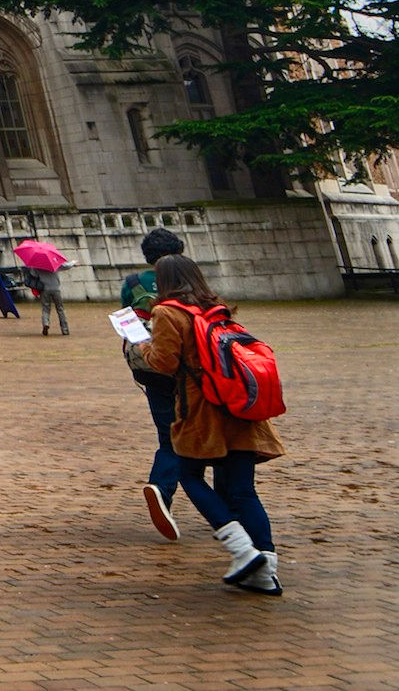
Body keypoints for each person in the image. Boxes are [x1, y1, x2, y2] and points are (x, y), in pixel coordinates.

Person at [131, 254, 285, 595]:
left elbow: (165, 362)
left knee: (189, 475)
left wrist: (142, 346)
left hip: (202, 411)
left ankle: (243, 552)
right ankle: (267, 570)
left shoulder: (167, 312)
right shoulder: (216, 307)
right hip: (239, 405)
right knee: (243, 491)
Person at [123, 226, 188, 540]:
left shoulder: (133, 283)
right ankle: (226, 506)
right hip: (186, 368)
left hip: (150, 366)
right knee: (204, 432)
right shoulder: (186, 279)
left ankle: (163, 490)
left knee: (168, 433)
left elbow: (126, 324)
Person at [31, 252, 74, 336]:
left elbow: (33, 274)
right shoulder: (54, 262)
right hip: (55, 288)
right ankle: (65, 329)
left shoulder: (37, 265)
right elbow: (65, 266)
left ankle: (46, 323)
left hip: (44, 289)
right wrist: (73, 263)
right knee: (60, 309)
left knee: (46, 308)